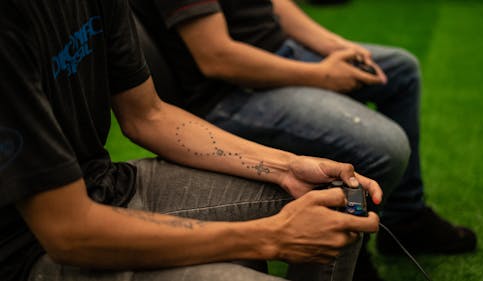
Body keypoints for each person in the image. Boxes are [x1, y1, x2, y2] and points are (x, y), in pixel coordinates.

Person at [0, 1, 385, 281]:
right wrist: (269, 238)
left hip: (106, 185)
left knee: (337, 202)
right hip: (30, 251)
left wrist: (287, 166)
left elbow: (148, 115)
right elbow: (68, 231)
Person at [129, 0, 477, 280]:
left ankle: (406, 217)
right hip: (228, 93)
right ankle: (356, 258)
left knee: (400, 70)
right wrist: (323, 76)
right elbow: (217, 58)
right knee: (388, 147)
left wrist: (337, 47)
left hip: (280, 50)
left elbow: (275, 5)